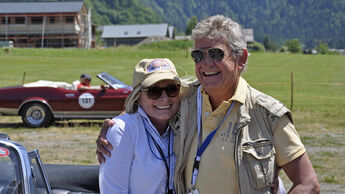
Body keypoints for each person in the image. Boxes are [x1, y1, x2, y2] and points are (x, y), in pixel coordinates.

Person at [97, 15, 320, 194]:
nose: (205, 63)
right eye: (198, 55)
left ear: (241, 59)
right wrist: (118, 126)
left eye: (215, 53)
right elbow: (151, 101)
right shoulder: (185, 97)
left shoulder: (269, 115)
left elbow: (308, 184)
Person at [99, 58, 181, 194]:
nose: (164, 98)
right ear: (137, 95)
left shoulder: (185, 125)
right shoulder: (122, 130)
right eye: (153, 91)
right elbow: (112, 191)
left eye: (172, 89)